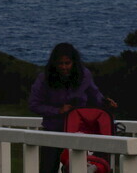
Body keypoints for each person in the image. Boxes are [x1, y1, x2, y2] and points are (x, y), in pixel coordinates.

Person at [29, 43, 117, 173]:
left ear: (74, 62)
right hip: (53, 132)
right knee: (48, 169)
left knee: (79, 168)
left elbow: (95, 95)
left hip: (78, 131)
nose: (64, 67)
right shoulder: (44, 78)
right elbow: (34, 105)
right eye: (60, 63)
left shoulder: (84, 75)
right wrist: (58, 111)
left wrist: (106, 104)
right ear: (54, 63)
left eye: (67, 63)